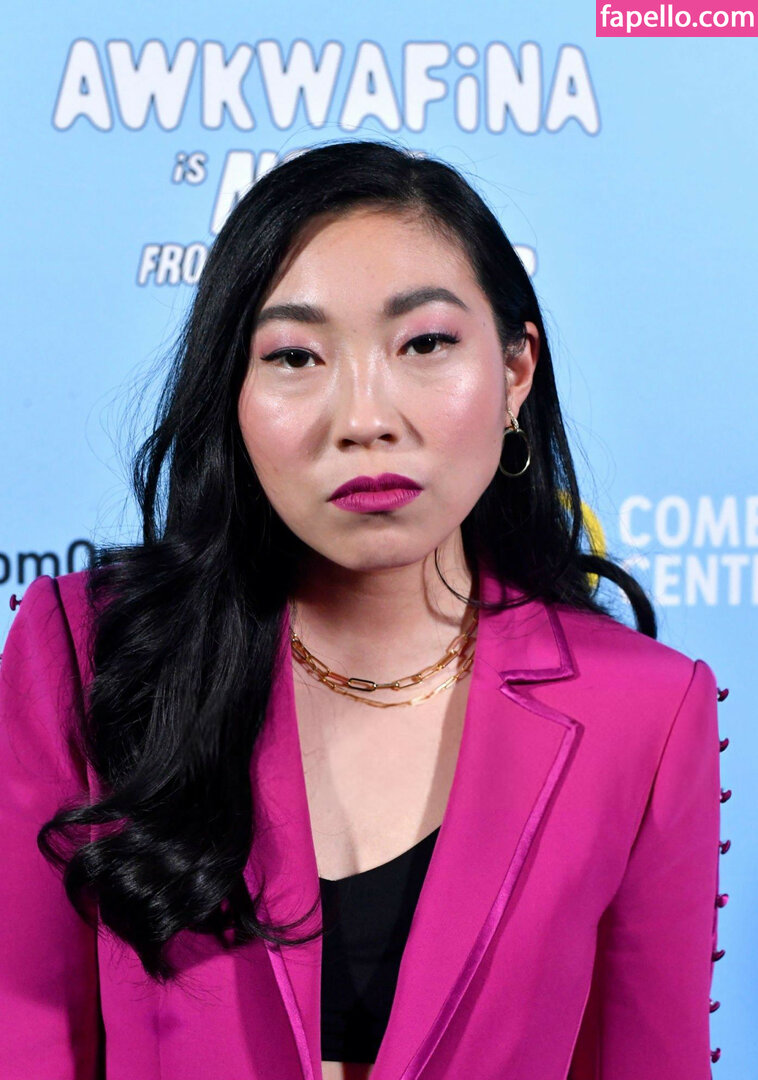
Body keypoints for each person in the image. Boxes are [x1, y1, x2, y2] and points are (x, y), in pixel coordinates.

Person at [0, 140, 730, 1080]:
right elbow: (25, 1041)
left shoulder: (646, 711)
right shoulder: (86, 653)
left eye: (424, 345)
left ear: (515, 371)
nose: (364, 419)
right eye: (295, 356)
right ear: (233, 395)